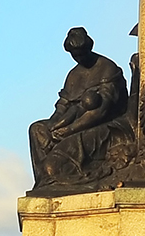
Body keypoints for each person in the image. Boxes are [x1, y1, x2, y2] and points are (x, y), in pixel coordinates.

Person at [28, 27, 132, 188]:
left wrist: (69, 130)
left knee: (53, 165)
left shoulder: (107, 68)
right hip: (74, 120)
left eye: (82, 53)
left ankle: (59, 175)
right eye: (75, 55)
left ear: (89, 47)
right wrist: (53, 125)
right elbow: (63, 105)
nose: (79, 58)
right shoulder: (73, 75)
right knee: (36, 129)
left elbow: (101, 111)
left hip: (105, 126)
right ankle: (46, 180)